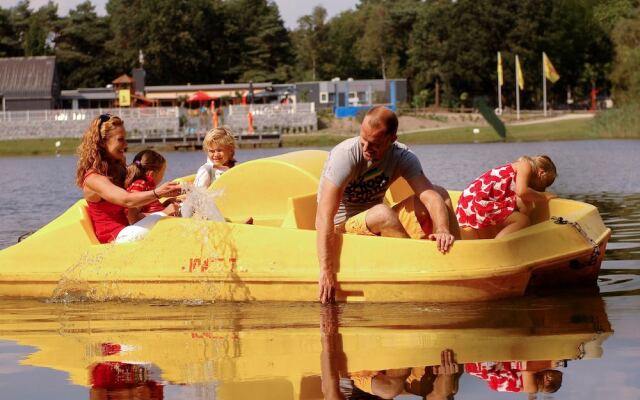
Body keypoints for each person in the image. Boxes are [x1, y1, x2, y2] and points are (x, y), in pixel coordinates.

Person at [316, 106, 458, 304]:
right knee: (383, 213)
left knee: (440, 194)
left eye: (374, 144)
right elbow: (323, 216)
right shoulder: (345, 155)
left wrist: (442, 229)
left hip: (377, 218)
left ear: (392, 139)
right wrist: (326, 269)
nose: (366, 148)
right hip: (343, 226)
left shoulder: (402, 157)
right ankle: (416, 270)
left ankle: (454, 260)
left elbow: (431, 197)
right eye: (362, 140)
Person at [75, 114, 182, 244]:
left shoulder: (118, 167)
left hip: (130, 229)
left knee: (181, 207)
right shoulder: (93, 179)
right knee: (165, 217)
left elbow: (135, 206)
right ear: (102, 142)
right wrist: (158, 194)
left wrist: (164, 202)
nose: (126, 144)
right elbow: (127, 200)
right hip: (118, 239)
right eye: (120, 139)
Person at [456, 155, 557, 239]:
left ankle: (509, 237)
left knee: (523, 204)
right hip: (479, 203)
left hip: (468, 203)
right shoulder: (526, 165)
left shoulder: (516, 169)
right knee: (523, 220)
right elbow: (522, 192)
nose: (540, 189)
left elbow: (522, 195)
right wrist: (544, 196)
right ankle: (497, 247)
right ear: (541, 173)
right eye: (544, 184)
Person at [125, 149, 179, 224]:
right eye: (162, 174)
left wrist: (165, 203)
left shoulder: (147, 186)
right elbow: (132, 218)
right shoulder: (140, 185)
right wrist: (164, 212)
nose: (162, 178)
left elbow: (148, 208)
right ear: (152, 174)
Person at [464, 360, 563, 394]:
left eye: (550, 380)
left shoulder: (532, 388)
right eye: (551, 374)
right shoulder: (535, 372)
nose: (548, 376)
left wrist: (550, 363)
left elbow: (527, 370)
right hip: (493, 367)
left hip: (488, 368)